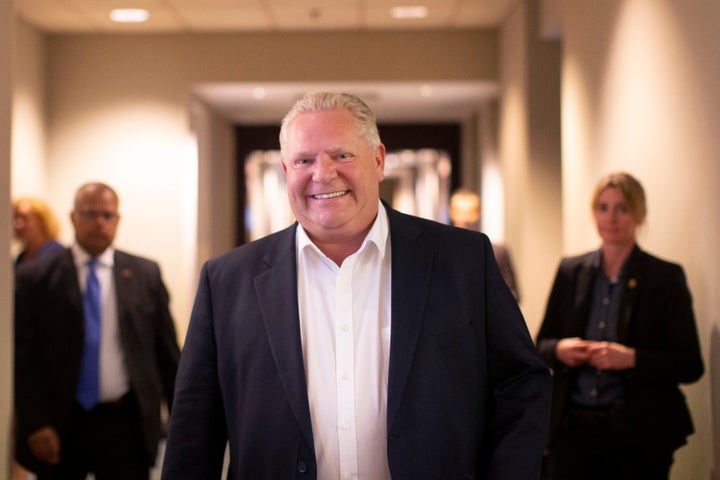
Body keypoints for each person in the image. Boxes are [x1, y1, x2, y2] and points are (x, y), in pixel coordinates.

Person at [162, 91, 551, 479]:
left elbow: (519, 385)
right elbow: (194, 430)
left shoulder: (463, 261)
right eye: (304, 160)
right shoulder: (228, 281)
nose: (323, 173)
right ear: (286, 171)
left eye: (341, 155)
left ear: (378, 161)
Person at [535, 172, 704, 480]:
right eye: (602, 207)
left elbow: (690, 364)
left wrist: (631, 359)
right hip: (572, 430)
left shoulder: (664, 277)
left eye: (621, 208)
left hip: (637, 433)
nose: (610, 217)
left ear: (639, 214)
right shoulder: (571, 271)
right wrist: (560, 349)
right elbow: (539, 345)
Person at [14, 182, 181, 480]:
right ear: (73, 217)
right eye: (90, 214)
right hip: (62, 421)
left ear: (118, 220)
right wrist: (35, 422)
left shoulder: (145, 274)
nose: (99, 223)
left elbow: (167, 354)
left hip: (125, 422)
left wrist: (184, 421)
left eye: (108, 215)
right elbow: (24, 357)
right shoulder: (36, 277)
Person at [11, 198, 65, 480]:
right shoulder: (19, 258)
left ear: (42, 220)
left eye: (24, 218)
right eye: (14, 219)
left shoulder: (56, 259)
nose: (17, 225)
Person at [449, 187, 520, 301]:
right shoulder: (441, 251)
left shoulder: (498, 252)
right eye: (460, 212)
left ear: (479, 212)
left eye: (471, 212)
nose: (466, 218)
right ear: (451, 211)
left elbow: (513, 294)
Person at [12, 197, 64, 267]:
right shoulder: (21, 258)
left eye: (24, 218)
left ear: (42, 221)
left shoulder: (57, 254)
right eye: (15, 218)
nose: (18, 224)